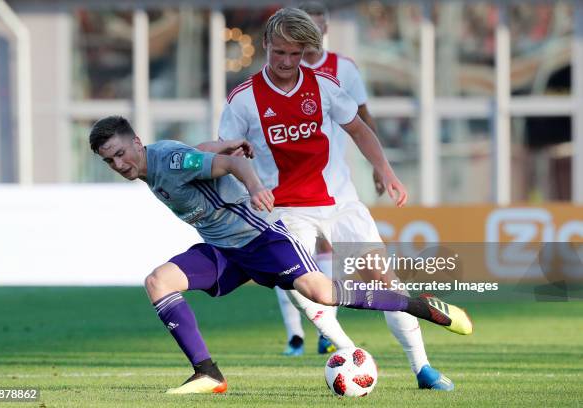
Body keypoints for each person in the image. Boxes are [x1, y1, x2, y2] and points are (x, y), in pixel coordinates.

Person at [89, 115, 472, 394]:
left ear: (137, 142)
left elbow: (230, 164)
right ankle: (208, 374)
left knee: (321, 293)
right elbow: (202, 152)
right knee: (158, 281)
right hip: (224, 250)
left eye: (122, 153)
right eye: (110, 161)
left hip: (261, 239)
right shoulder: (154, 165)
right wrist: (223, 144)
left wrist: (254, 186)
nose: (119, 165)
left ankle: (415, 305)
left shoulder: (168, 161)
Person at [217, 7, 457, 391]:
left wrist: (385, 170)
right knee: (300, 286)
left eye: (295, 54)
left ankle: (423, 369)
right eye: (279, 52)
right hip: (284, 211)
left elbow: (360, 130)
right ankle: (350, 352)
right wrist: (248, 189)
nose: (286, 62)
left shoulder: (325, 86)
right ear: (265, 45)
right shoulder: (243, 100)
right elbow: (226, 154)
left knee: (385, 283)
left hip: (340, 203)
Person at [270, 1, 388, 357]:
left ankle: (324, 330)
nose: (315, 31)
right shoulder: (278, 71)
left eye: (319, 25)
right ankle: (295, 333)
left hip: (333, 181)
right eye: (309, 24)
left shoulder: (343, 70)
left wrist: (378, 166)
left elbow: (362, 117)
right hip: (284, 185)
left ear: (325, 28)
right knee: (289, 261)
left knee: (329, 253)